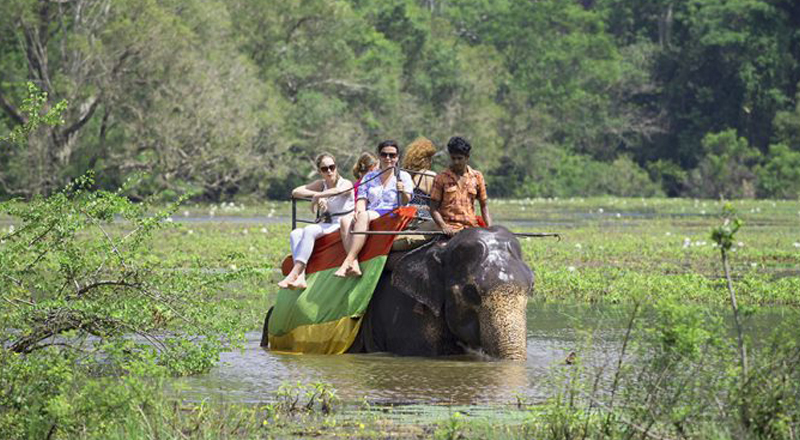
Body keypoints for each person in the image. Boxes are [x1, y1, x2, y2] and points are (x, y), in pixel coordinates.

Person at [335, 140, 414, 278]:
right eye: (384, 155)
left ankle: (348, 260)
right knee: (345, 220)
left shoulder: (403, 176)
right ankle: (354, 264)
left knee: (364, 216)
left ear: (397, 157)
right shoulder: (370, 176)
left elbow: (406, 201)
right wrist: (358, 211)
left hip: (392, 212)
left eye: (392, 155)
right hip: (373, 211)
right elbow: (362, 198)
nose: (388, 158)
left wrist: (402, 191)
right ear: (379, 156)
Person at [278, 153, 354, 289]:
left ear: (336, 167)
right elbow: (296, 191)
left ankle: (295, 272)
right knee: (295, 233)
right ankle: (301, 277)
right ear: (320, 172)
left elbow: (339, 191)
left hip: (342, 222)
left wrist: (320, 195)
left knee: (309, 229)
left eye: (332, 167)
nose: (329, 171)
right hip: (328, 223)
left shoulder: (345, 182)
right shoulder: (321, 184)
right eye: (325, 169)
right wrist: (317, 196)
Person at [430, 136, 492, 236]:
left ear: (467, 157)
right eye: (453, 158)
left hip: (471, 228)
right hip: (450, 228)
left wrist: (490, 229)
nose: (456, 162)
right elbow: (433, 208)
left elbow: (484, 206)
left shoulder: (477, 177)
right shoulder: (440, 178)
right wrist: (444, 226)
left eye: (460, 158)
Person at [402, 137, 437, 220]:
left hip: (406, 216)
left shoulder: (405, 175)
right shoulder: (430, 175)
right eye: (430, 158)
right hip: (424, 217)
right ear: (424, 159)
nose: (431, 162)